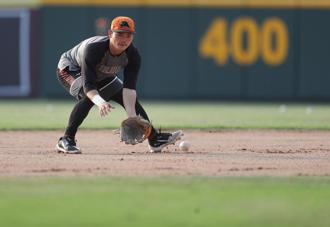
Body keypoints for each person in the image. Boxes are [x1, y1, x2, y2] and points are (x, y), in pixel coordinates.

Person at [56, 16, 182, 154]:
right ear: (110, 34)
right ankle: (66, 139)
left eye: (128, 35)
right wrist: (100, 101)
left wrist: (132, 116)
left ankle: (154, 139)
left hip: (101, 74)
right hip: (70, 69)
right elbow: (88, 85)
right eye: (120, 34)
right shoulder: (94, 49)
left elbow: (129, 90)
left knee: (130, 100)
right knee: (88, 97)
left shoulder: (133, 55)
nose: (124, 39)